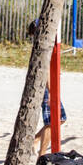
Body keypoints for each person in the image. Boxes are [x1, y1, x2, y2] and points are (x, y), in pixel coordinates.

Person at [26, 20, 67, 157]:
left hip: (46, 85)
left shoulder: (44, 45)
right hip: (46, 86)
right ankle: (42, 155)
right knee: (53, 120)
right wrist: (51, 92)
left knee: (60, 118)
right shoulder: (44, 47)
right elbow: (46, 71)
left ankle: (36, 140)